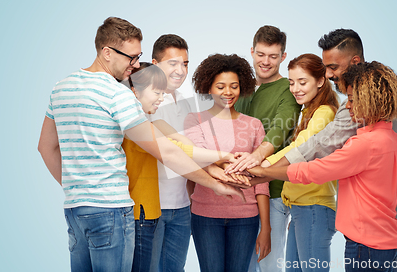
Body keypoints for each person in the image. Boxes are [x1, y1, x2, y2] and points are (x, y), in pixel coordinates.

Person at [37, 17, 244, 272]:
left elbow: (45, 147)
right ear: (107, 52)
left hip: (75, 209)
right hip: (112, 209)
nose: (135, 65)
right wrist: (215, 183)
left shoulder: (61, 88)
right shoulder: (118, 93)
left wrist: (80, 189)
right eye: (131, 58)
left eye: (138, 57)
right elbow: (166, 150)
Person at [269, 29, 397, 272]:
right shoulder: (380, 89)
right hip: (393, 209)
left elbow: (320, 147)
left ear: (354, 62)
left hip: (394, 210)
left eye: (332, 67)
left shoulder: (367, 101)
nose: (329, 74)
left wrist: (265, 170)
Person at [249, 61, 397, 272]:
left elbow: (314, 169)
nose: (348, 106)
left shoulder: (365, 145)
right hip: (383, 240)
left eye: (352, 100)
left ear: (371, 100)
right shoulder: (390, 138)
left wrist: (264, 172)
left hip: (366, 245)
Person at [122, 62, 247, 272]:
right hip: (139, 213)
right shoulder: (135, 129)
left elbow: (187, 146)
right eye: (156, 92)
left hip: (152, 212)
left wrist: (220, 166)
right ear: (134, 91)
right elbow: (176, 152)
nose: (162, 98)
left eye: (163, 92)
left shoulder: (155, 122)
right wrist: (222, 160)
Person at [184, 54, 271, 272]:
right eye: (220, 86)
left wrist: (266, 227)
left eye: (234, 86)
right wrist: (229, 164)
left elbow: (261, 181)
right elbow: (198, 155)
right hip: (205, 217)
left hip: (246, 217)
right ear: (209, 87)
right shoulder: (194, 119)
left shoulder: (253, 125)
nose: (228, 92)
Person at [233, 25, 301, 272]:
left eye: (273, 56)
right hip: (237, 190)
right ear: (252, 51)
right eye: (261, 54)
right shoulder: (240, 86)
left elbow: (279, 131)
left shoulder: (288, 90)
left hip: (271, 192)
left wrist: (254, 158)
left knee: (268, 264)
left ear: (283, 57)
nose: (266, 61)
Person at [264, 54, 339, 271]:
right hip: (302, 208)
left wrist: (265, 164)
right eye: (291, 82)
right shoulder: (308, 111)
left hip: (313, 207)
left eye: (302, 82)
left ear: (321, 81)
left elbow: (302, 148)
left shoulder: (324, 113)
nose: (295, 88)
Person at [148, 34, 195, 272]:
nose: (180, 70)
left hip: (182, 207)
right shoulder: (145, 101)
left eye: (185, 63)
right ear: (155, 64)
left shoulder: (186, 102)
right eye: (173, 63)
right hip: (153, 208)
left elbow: (193, 151)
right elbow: (177, 150)